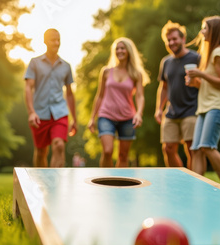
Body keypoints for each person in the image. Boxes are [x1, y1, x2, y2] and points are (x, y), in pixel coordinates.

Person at [186, 16, 220, 189]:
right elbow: (209, 82)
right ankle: (196, 187)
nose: (201, 32)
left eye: (204, 28)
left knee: (207, 146)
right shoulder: (209, 55)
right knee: (196, 150)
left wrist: (200, 74)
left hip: (218, 106)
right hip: (205, 107)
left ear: (214, 31)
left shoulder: (218, 52)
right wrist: (195, 81)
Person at [87, 37, 150, 167]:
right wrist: (92, 117)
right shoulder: (106, 71)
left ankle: (120, 186)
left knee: (123, 155)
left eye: (122, 48)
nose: (119, 51)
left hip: (127, 117)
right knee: (107, 151)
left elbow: (140, 96)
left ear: (129, 51)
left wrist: (139, 113)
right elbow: (99, 96)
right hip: (106, 115)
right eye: (117, 48)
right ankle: (105, 181)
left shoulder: (136, 74)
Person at [24, 29, 77, 167]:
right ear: (45, 41)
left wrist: (74, 119)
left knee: (59, 145)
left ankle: (54, 186)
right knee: (41, 152)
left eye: (58, 39)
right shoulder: (35, 63)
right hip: (39, 113)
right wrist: (31, 112)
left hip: (60, 112)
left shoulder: (66, 66)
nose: (57, 42)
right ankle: (41, 185)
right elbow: (28, 87)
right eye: (53, 39)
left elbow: (70, 93)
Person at [154, 21, 200, 169]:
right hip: (171, 112)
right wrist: (159, 108)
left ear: (183, 39)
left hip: (192, 109)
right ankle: (180, 180)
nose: (171, 42)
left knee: (191, 149)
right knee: (168, 148)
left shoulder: (196, 58)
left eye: (174, 39)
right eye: (169, 40)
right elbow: (164, 87)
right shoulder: (165, 62)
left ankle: (193, 183)